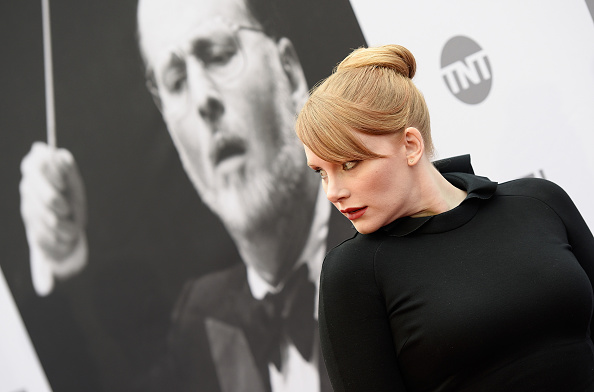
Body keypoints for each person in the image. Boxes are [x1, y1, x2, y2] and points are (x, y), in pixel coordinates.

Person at [19, 0, 365, 391]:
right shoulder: (199, 323)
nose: (202, 99)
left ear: (289, 72)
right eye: (176, 81)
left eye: (218, 55)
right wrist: (61, 263)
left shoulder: (391, 249)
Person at [295, 44, 594, 391]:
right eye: (321, 171)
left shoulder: (539, 202)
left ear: (410, 145)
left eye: (349, 164)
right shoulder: (354, 272)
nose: (333, 191)